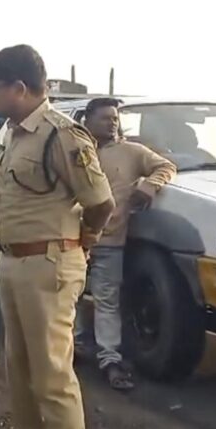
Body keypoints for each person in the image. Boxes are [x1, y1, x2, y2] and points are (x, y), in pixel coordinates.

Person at [0, 44, 115, 429]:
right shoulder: (13, 135)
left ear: (19, 88)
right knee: (20, 372)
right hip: (13, 262)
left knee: (53, 377)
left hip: (49, 265)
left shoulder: (62, 135)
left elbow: (100, 202)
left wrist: (87, 239)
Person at [75, 97, 176, 391]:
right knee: (72, 297)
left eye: (115, 117)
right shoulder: (76, 150)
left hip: (109, 240)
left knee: (107, 300)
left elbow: (165, 166)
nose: (112, 122)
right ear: (87, 120)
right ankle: (76, 346)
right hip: (71, 239)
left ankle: (110, 358)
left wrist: (150, 184)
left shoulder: (132, 152)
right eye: (105, 117)